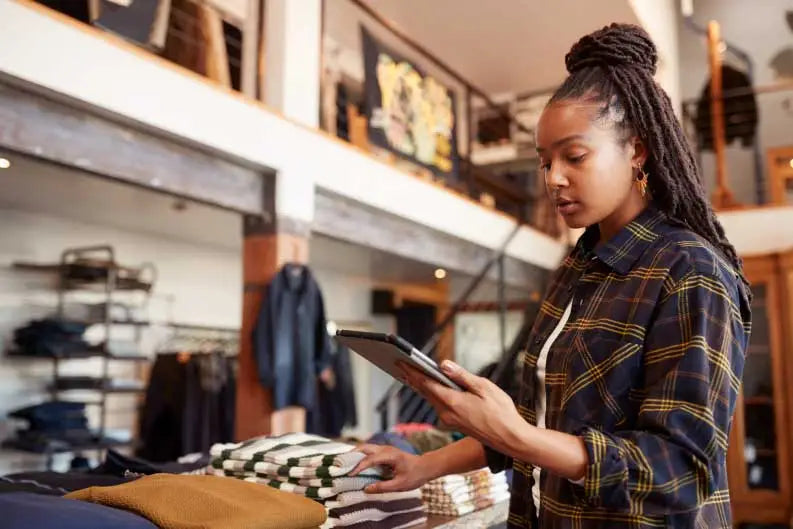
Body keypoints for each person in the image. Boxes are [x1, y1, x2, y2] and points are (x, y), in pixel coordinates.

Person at [351, 23, 751, 529]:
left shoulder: (691, 272)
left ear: (638, 149)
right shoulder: (576, 270)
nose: (553, 178)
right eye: (544, 162)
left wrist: (514, 435)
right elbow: (539, 425)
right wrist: (424, 466)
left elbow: (682, 471)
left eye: (574, 156)